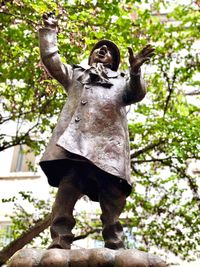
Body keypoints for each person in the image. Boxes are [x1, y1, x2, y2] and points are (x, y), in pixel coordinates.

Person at [38, 12, 154, 250]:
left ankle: (115, 243)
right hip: (76, 145)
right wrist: (50, 32)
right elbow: (51, 60)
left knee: (113, 195)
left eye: (108, 50)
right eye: (98, 48)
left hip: (108, 146)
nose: (102, 50)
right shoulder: (76, 75)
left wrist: (135, 71)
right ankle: (60, 240)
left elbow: (137, 93)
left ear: (114, 61)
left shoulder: (122, 80)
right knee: (68, 188)